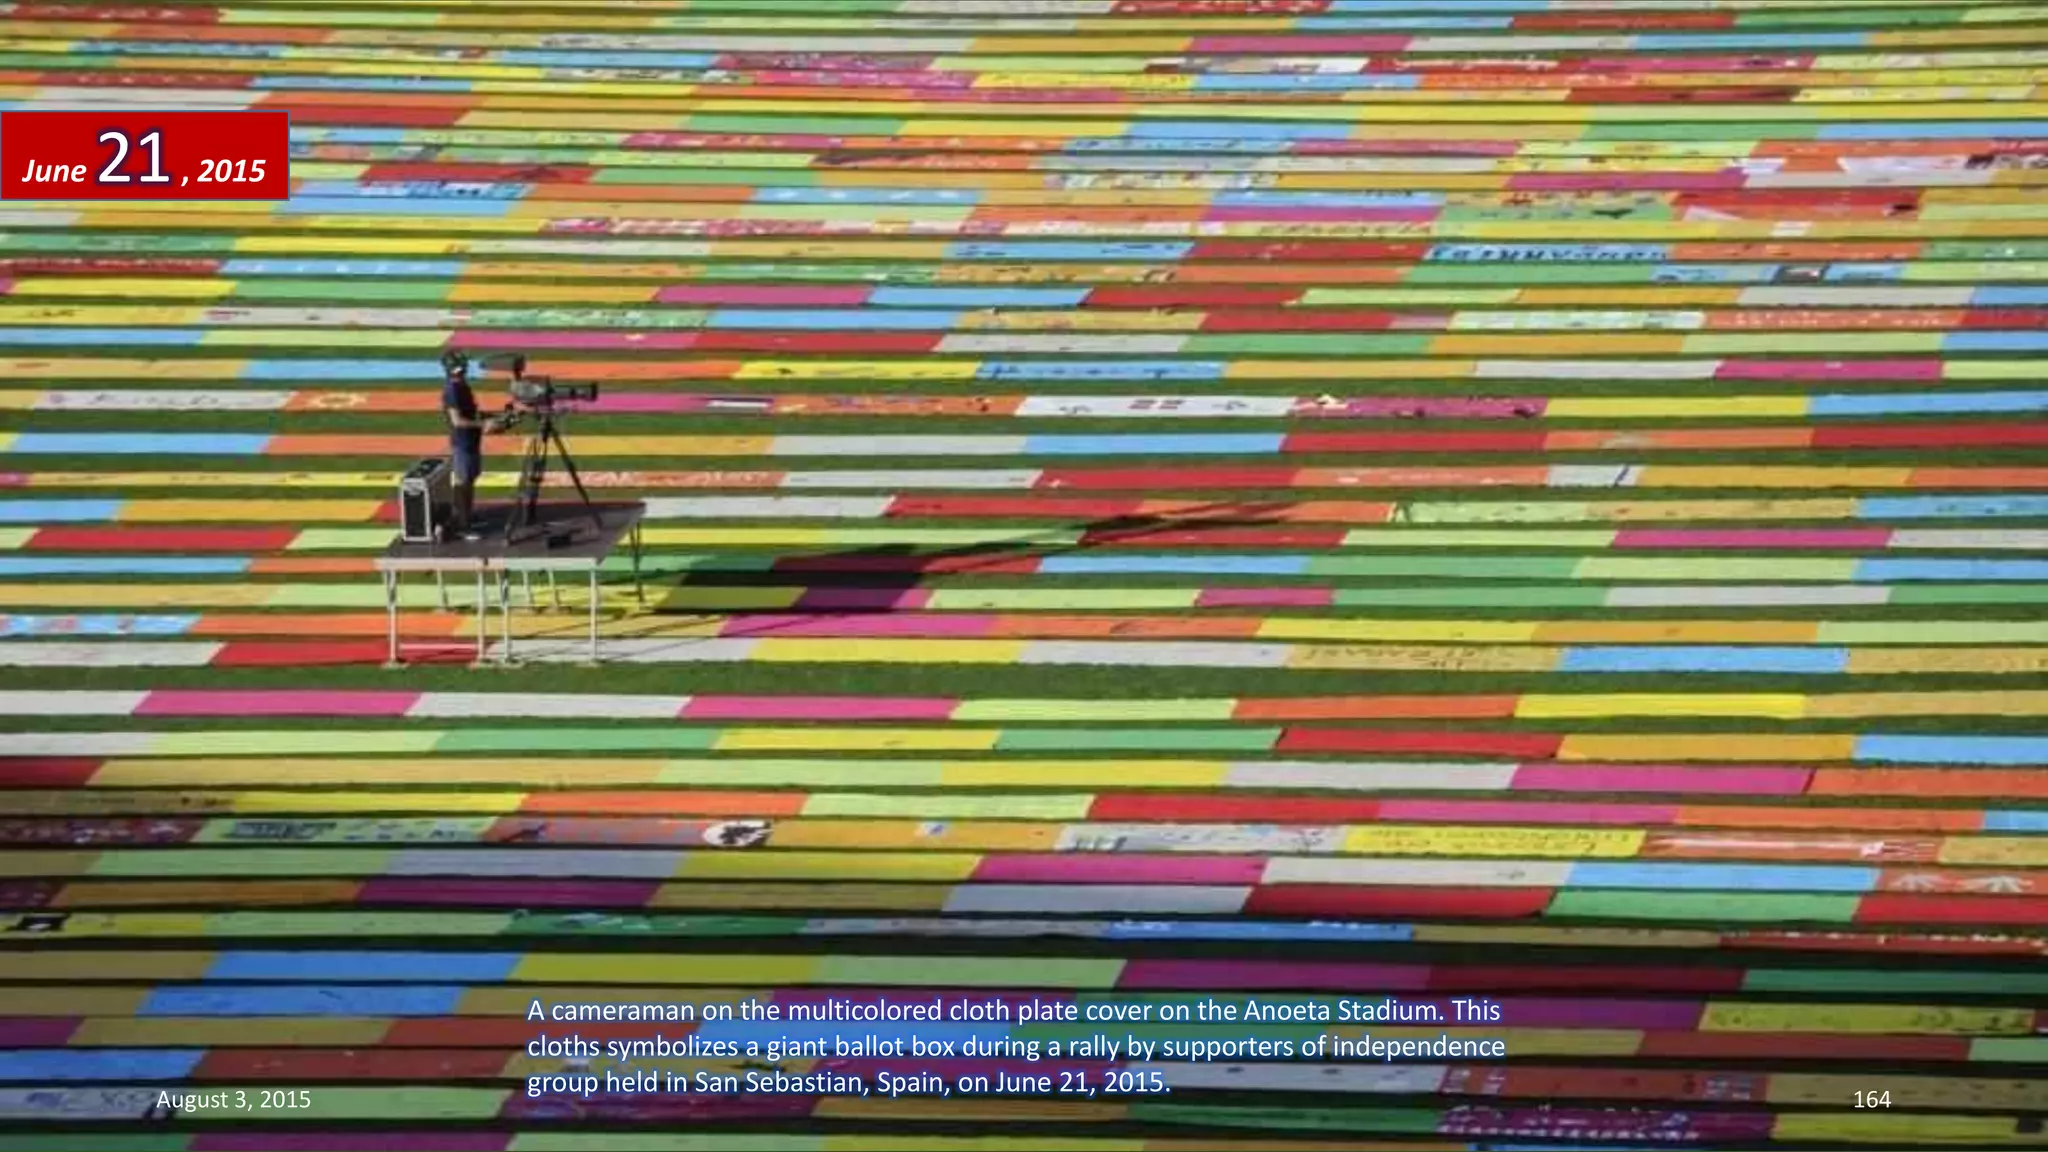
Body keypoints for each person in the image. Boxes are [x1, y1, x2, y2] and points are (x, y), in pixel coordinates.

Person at [440, 350, 494, 539]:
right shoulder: (453, 390)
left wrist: (488, 418)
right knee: (463, 483)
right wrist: (483, 424)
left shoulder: (461, 385)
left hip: (470, 440)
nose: (463, 370)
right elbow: (457, 420)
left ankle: (467, 515)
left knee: (469, 480)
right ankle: (462, 524)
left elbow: (470, 413)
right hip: (462, 442)